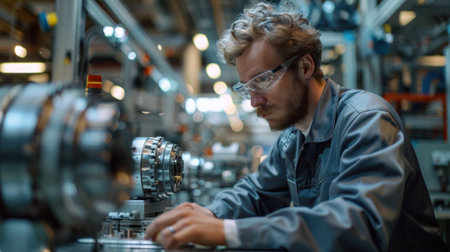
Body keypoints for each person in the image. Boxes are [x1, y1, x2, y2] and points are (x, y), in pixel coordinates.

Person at [144, 1, 448, 251]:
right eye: (246, 88)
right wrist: (211, 213)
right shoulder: (294, 137)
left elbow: (358, 226)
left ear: (305, 67)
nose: (253, 101)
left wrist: (229, 231)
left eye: (262, 81)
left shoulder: (365, 120)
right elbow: (258, 192)